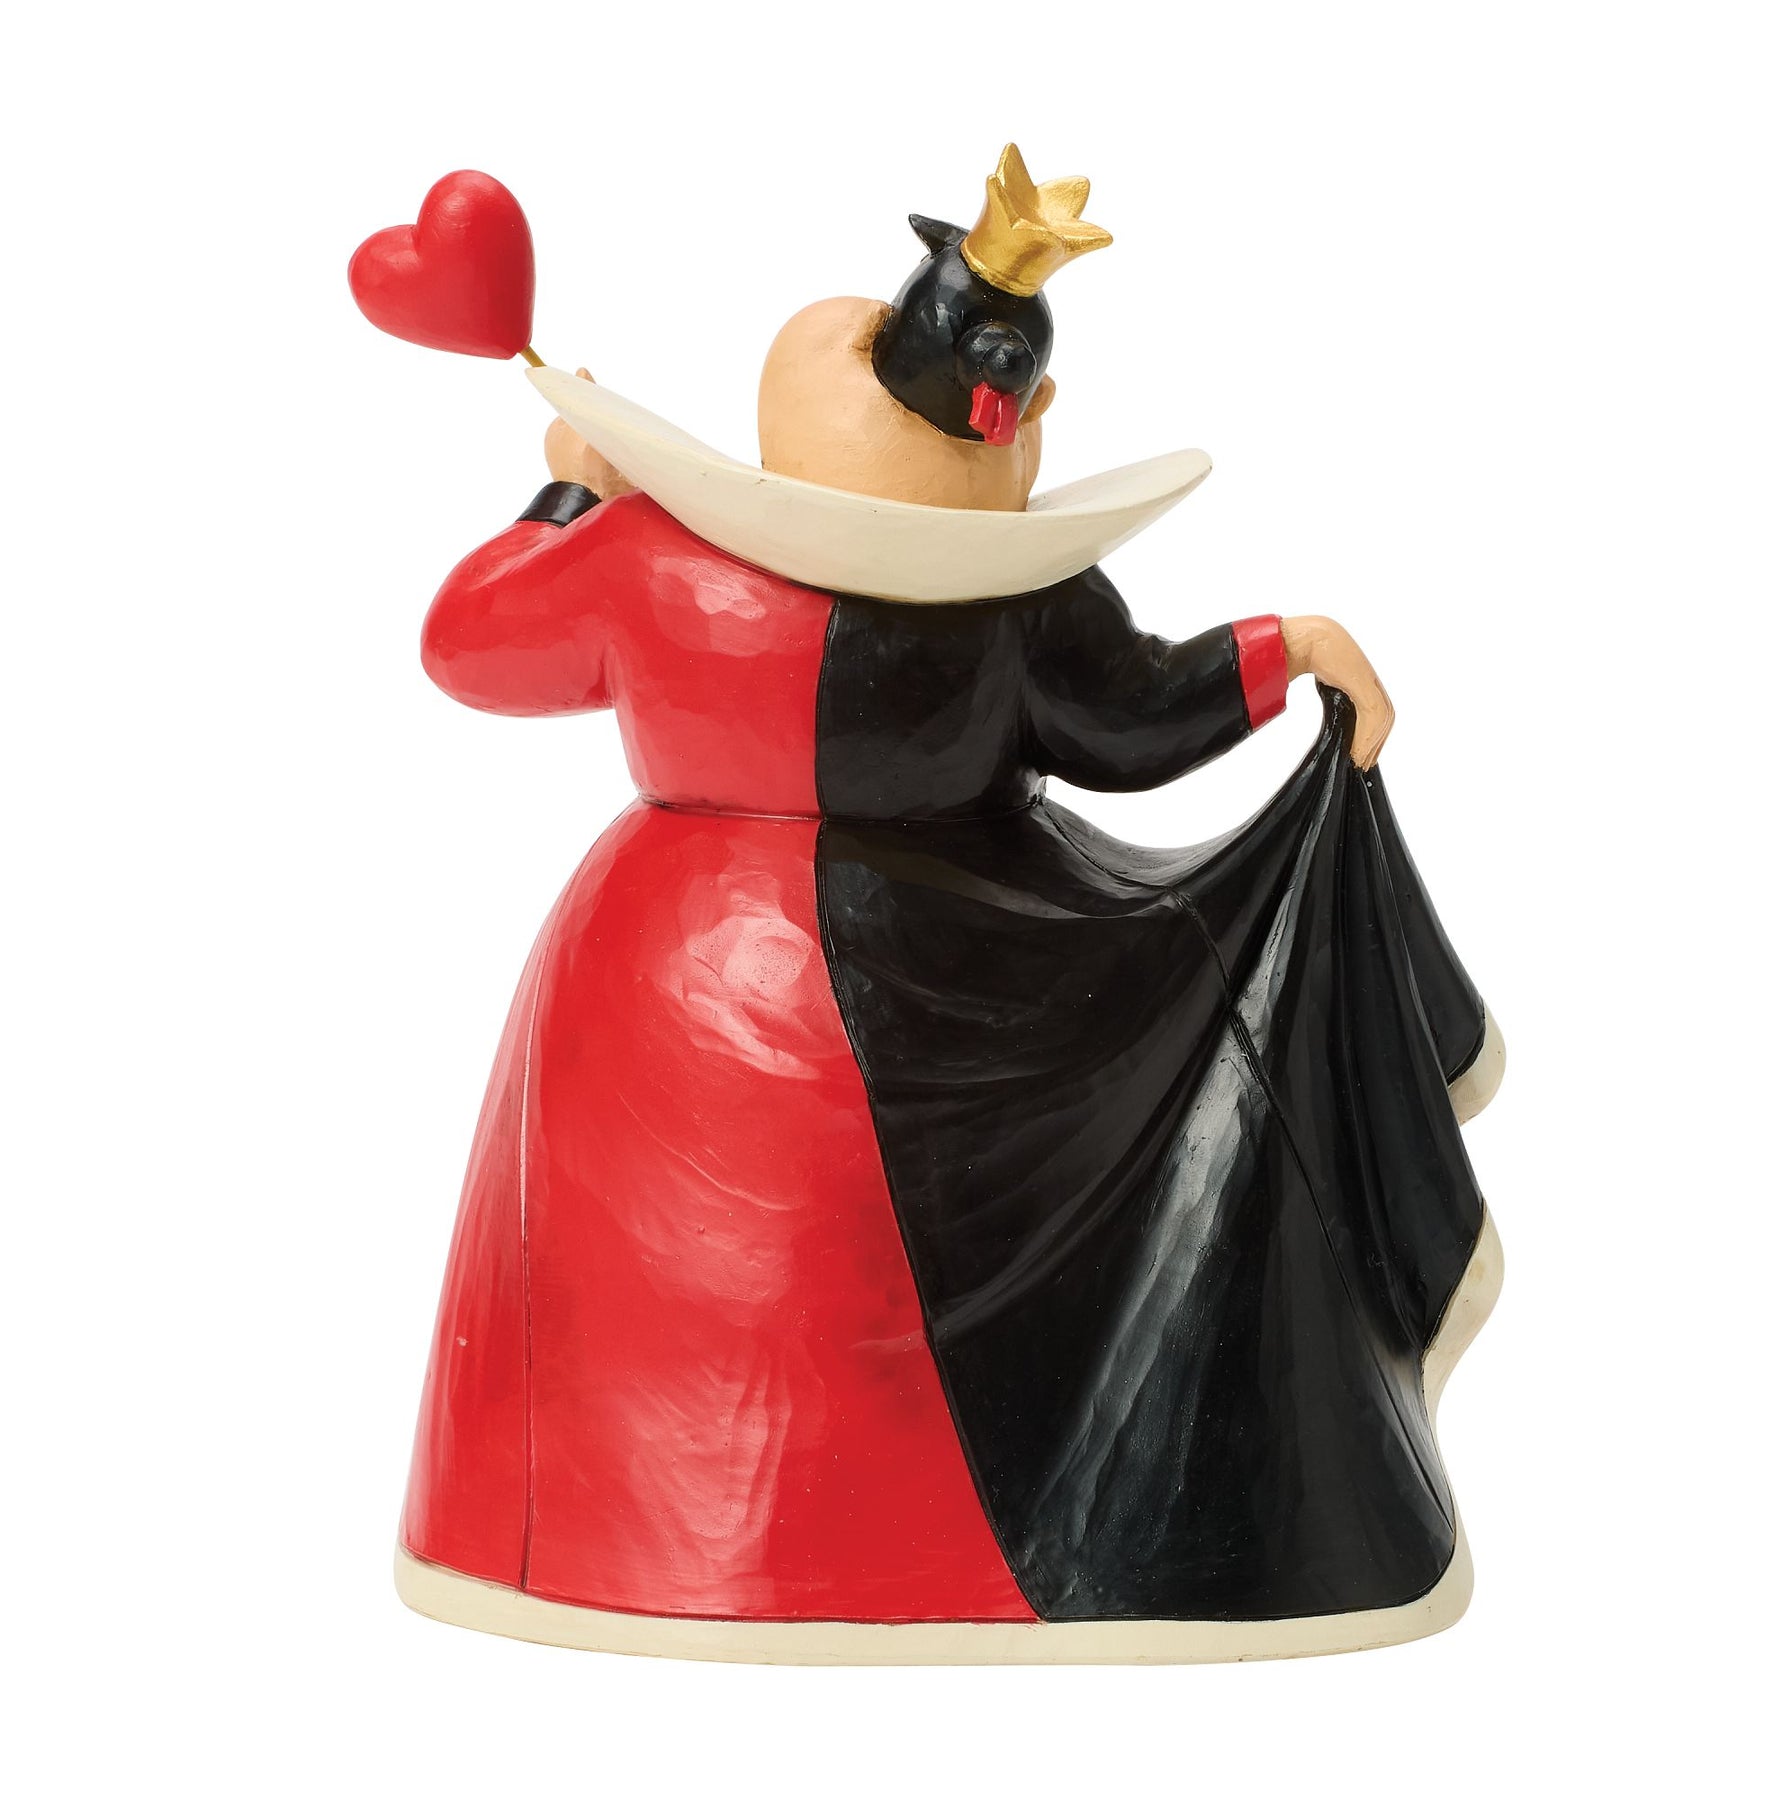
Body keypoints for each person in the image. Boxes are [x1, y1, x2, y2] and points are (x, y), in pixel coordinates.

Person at [395, 147, 1503, 1662]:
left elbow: (467, 642)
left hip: (684, 986)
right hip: (901, 995)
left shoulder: (651, 561)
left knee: (699, 1326)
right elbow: (1135, 719)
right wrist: (1284, 647)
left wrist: (568, 490)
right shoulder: (1010, 598)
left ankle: (657, 1556)